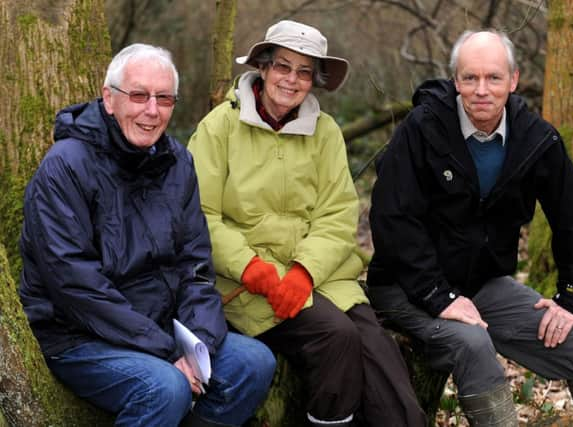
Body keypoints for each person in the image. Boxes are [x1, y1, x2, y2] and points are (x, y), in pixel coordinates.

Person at [19, 43, 276, 427]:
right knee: (164, 387)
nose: (151, 110)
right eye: (138, 95)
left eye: (164, 99)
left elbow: (197, 265)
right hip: (78, 334)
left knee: (255, 364)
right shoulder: (65, 166)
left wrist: (198, 342)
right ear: (109, 98)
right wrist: (166, 350)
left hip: (161, 325)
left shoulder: (178, 161)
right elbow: (75, 286)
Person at [187, 20, 426, 427]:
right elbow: (198, 215)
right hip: (247, 285)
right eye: (283, 66)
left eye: (303, 72)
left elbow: (337, 215)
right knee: (337, 338)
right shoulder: (219, 128)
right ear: (262, 67)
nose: (291, 80)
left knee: (379, 352)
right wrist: (252, 269)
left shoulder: (326, 132)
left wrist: (304, 271)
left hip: (319, 278)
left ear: (314, 81)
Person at [367, 29, 573, 426]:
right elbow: (392, 219)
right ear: (456, 81)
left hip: (483, 285)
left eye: (493, 77)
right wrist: (439, 296)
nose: (481, 89)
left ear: (513, 80)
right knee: (472, 343)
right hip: (405, 287)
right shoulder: (421, 129)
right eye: (470, 78)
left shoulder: (536, 139)